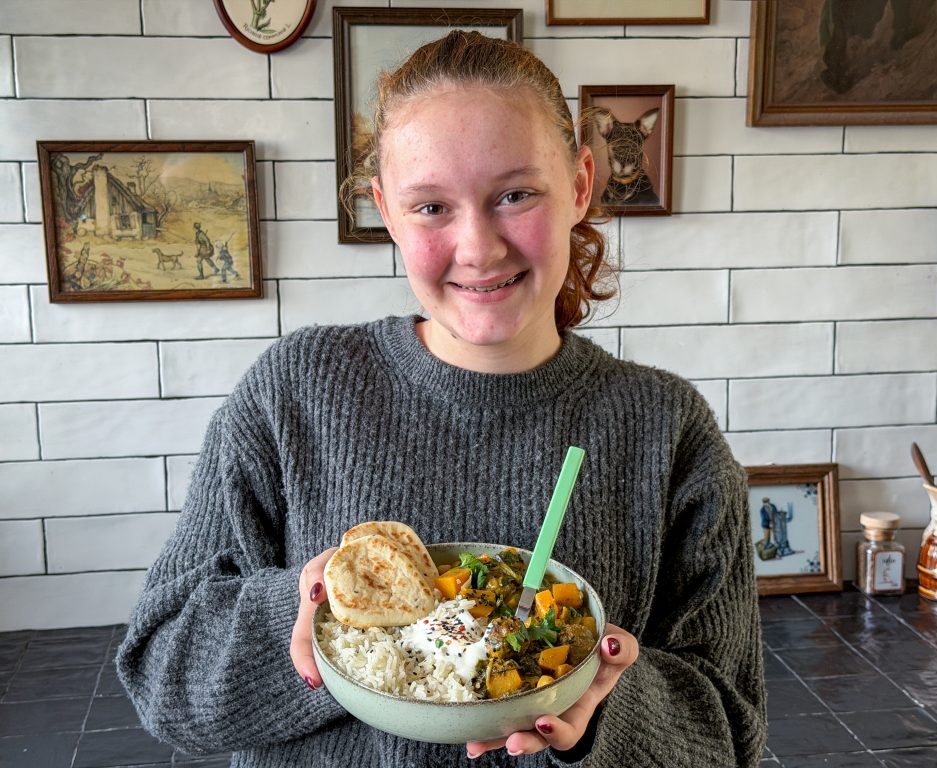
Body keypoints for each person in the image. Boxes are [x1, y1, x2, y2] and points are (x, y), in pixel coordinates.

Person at [116, 31, 766, 767]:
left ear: (582, 184)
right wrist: (312, 628)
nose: (479, 247)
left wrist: (594, 698)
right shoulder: (292, 390)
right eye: (430, 207)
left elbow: (729, 735)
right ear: (384, 210)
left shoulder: (667, 429)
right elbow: (160, 676)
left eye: (515, 194)